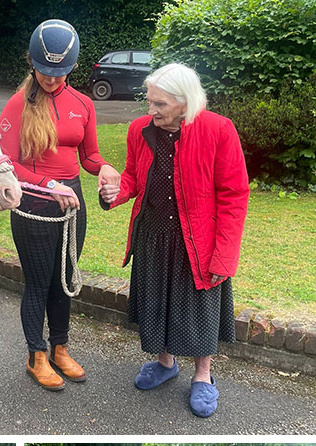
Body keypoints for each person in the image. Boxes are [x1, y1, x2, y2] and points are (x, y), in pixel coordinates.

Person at [99, 63, 249, 417]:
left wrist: (223, 256)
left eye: (160, 105)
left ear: (185, 103)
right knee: (156, 303)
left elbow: (234, 195)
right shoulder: (139, 130)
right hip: (153, 234)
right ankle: (165, 362)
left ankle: (203, 376)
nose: (150, 111)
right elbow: (134, 176)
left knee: (198, 309)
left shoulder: (218, 129)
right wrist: (114, 190)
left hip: (197, 239)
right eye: (149, 102)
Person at [0, 19, 121, 391]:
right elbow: (6, 164)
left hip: (71, 204)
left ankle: (60, 348)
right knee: (38, 283)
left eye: (60, 72)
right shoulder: (19, 104)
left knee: (64, 281)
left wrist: (105, 169)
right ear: (31, 61)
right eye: (44, 70)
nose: (51, 79)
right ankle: (36, 355)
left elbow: (90, 156)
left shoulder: (83, 103)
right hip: (34, 203)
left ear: (74, 67)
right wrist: (47, 183)